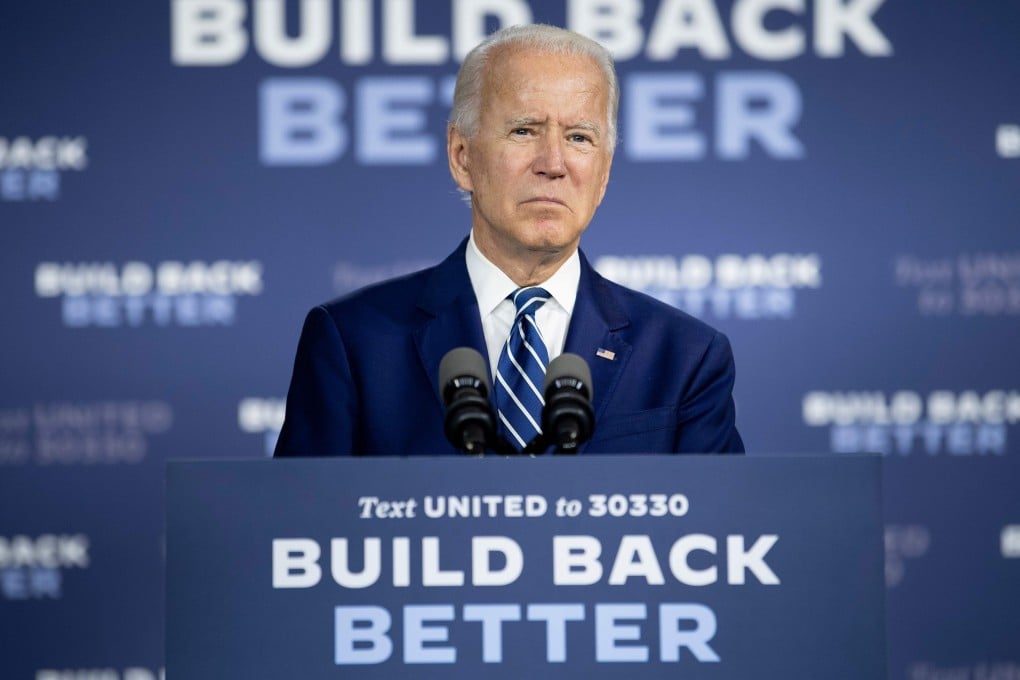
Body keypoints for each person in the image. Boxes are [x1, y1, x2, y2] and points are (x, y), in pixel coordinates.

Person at [274, 24, 744, 457]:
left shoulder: (685, 357)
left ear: (604, 174)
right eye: (524, 131)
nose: (554, 163)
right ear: (462, 156)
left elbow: (718, 532)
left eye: (580, 138)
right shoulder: (354, 341)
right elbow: (304, 531)